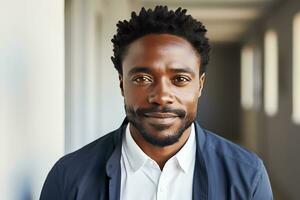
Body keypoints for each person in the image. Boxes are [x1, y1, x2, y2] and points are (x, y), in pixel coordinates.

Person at [40, 6, 273, 200]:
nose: (162, 97)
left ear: (200, 85)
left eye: (180, 79)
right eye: (142, 79)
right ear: (122, 84)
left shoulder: (248, 175)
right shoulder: (68, 177)